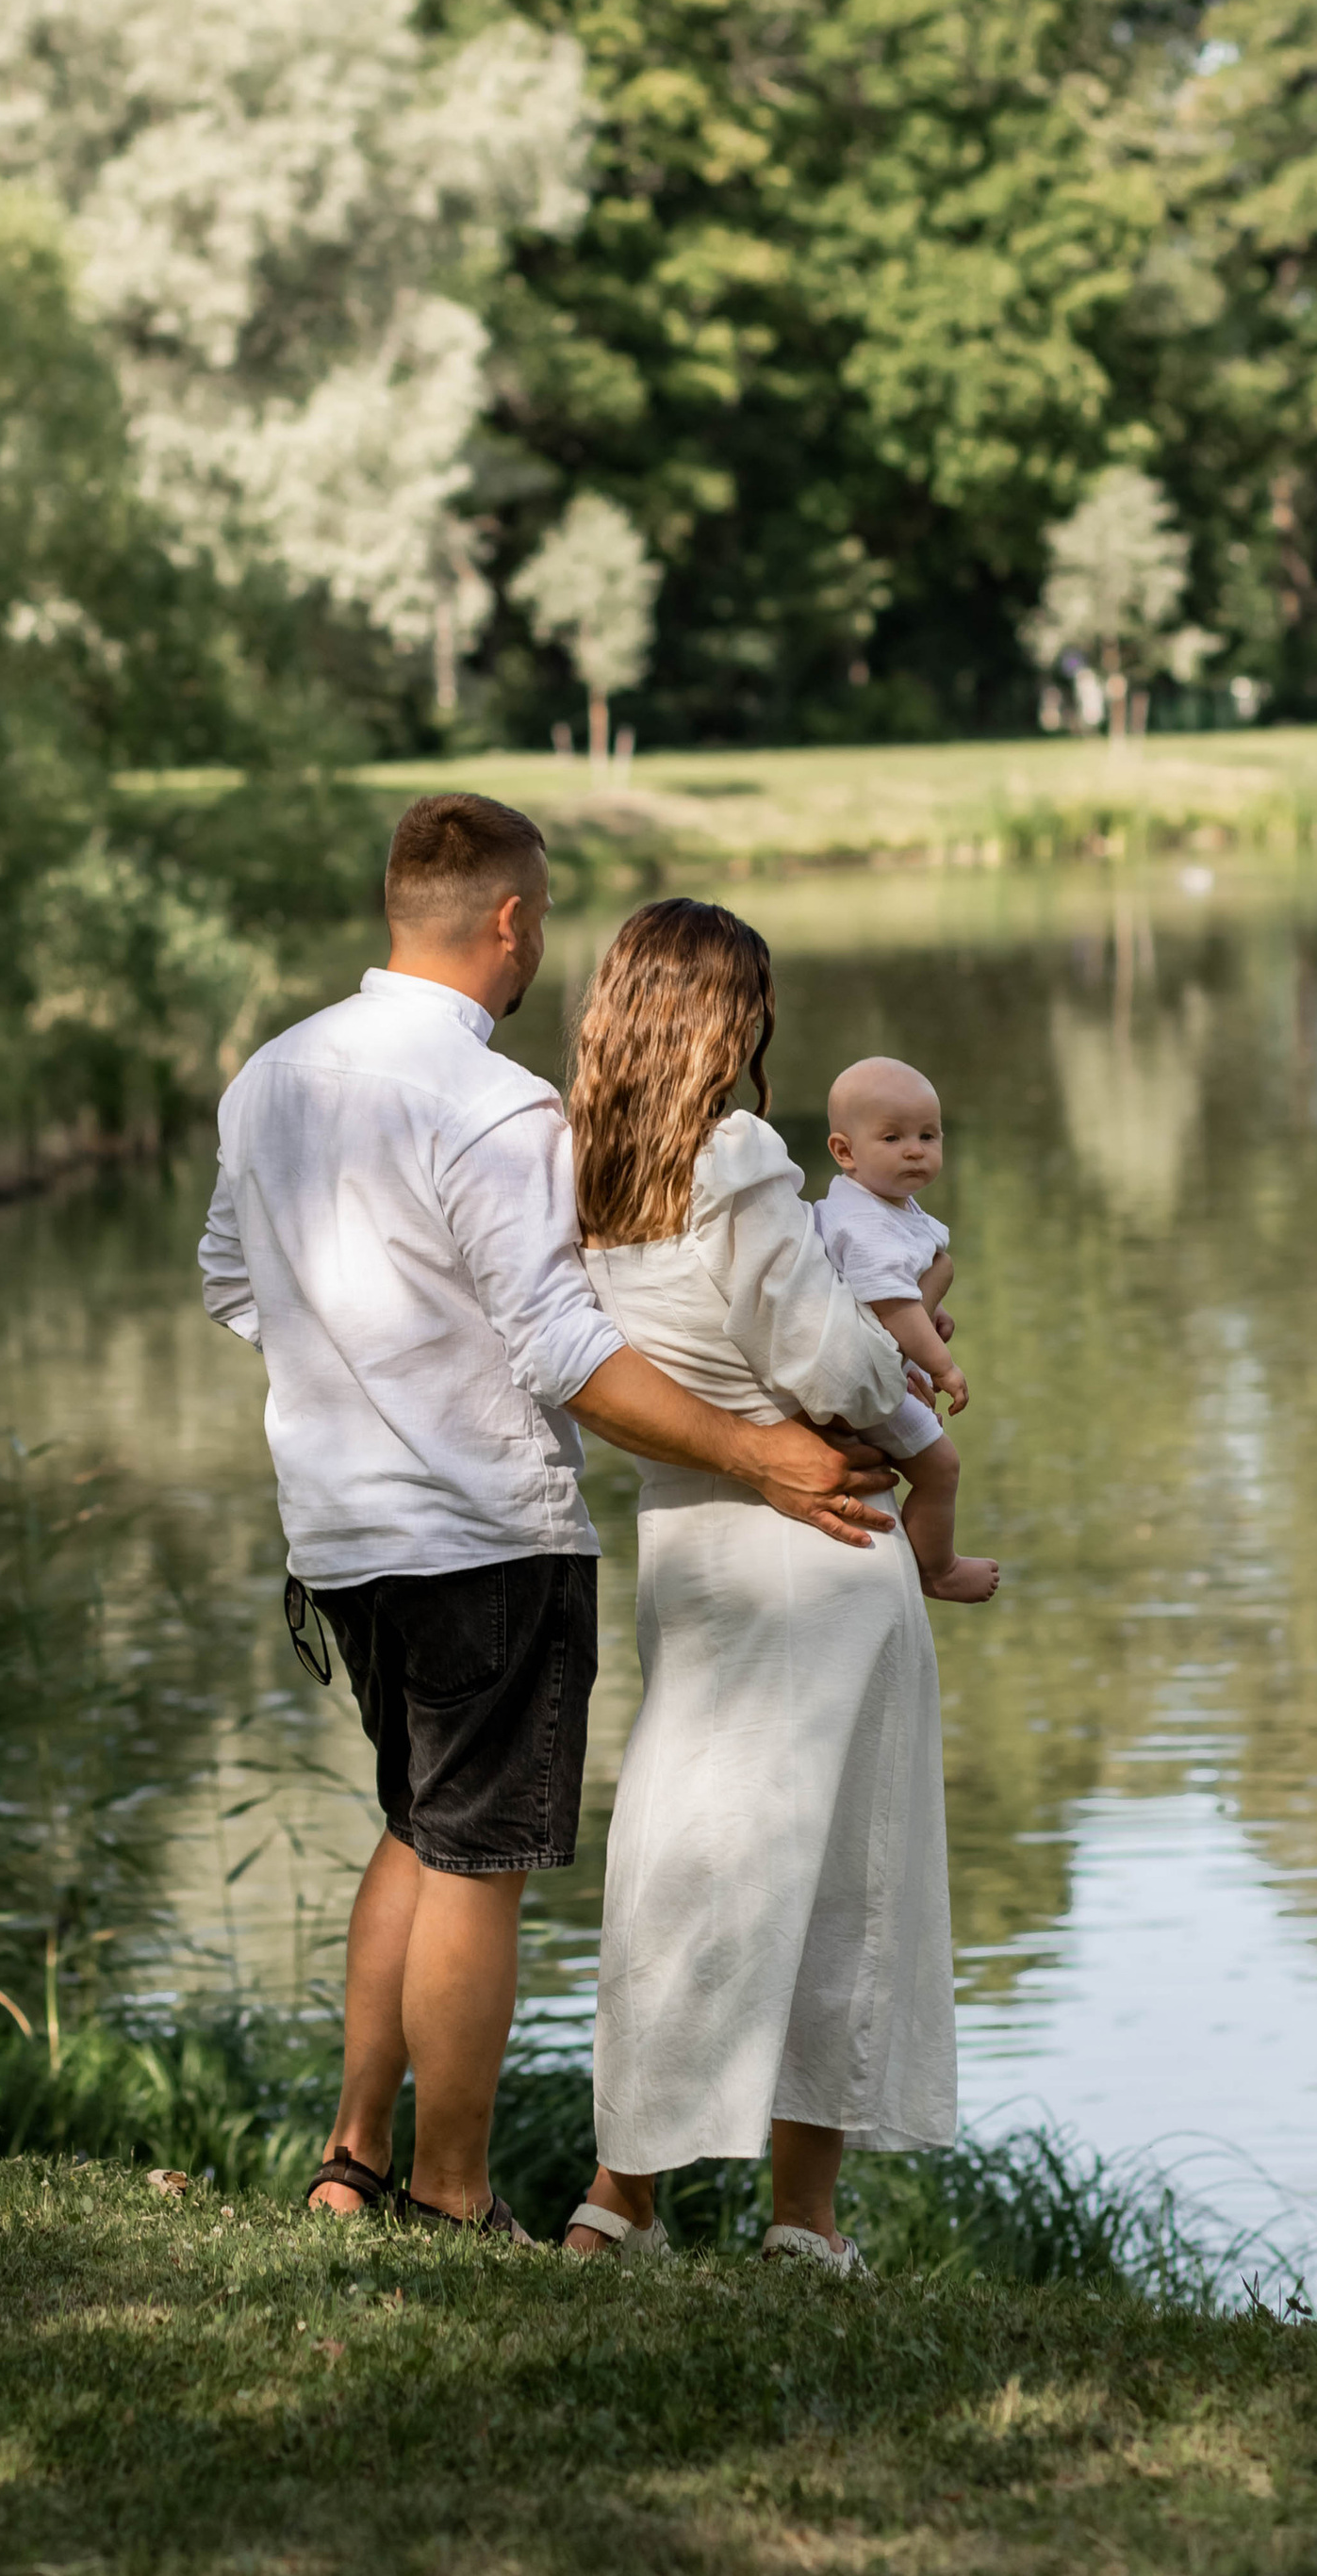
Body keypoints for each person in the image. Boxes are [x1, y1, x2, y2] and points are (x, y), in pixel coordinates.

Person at [197, 795, 899, 2241]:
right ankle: (455, 2197)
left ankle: (351, 2163)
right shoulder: (499, 1107)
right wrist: (759, 1455)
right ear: (508, 920)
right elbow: (564, 1352)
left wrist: (358, 1368)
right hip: (481, 1532)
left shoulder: (273, 1075)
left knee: (414, 1822)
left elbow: (229, 1279)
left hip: (334, 1532)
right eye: (542, 922)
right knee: (478, 1860)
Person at [556, 900, 975, 2273]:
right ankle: (804, 2224)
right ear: (731, 1017)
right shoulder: (731, 1152)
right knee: (841, 1879)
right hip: (822, 1542)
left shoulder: (586, 1165)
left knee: (685, 1863)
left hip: (692, 1539)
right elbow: (823, 1358)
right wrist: (899, 1362)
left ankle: (622, 2199)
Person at [817, 1056, 999, 1606]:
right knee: (941, 1466)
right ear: (845, 1151)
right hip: (860, 1374)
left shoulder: (881, 1198)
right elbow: (893, 1308)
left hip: (881, 1354)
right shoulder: (865, 1223)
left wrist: (929, 1315)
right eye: (893, 1137)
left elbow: (903, 1295)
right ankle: (937, 1569)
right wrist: (941, 1365)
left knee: (937, 1462)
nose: (915, 1150)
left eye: (928, 1135)